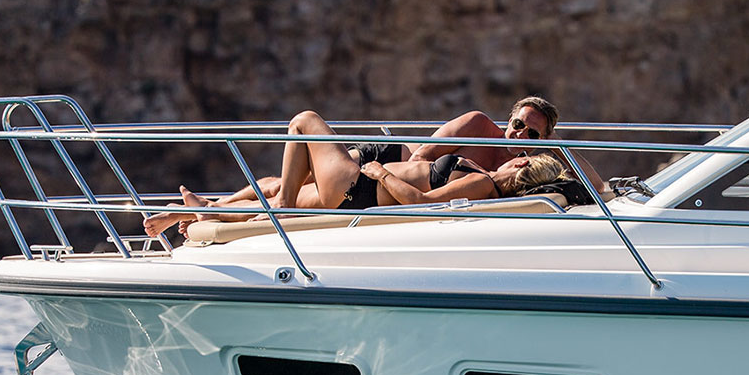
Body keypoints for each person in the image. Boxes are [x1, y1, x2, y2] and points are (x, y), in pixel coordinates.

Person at [142, 110, 573, 238]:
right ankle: (204, 211)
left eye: (531, 139)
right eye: (518, 126)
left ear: (524, 165)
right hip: (357, 188)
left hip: (360, 186)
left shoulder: (484, 183)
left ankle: (277, 210)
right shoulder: (485, 174)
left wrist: (382, 173)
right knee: (278, 189)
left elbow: (422, 203)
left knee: (304, 122)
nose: (520, 140)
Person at [409, 95, 607, 191]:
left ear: (542, 139)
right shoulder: (477, 125)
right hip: (398, 163)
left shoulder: (524, 169)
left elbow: (597, 187)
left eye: (532, 133)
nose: (521, 134)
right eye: (518, 124)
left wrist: (558, 146)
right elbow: (419, 157)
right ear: (510, 119)